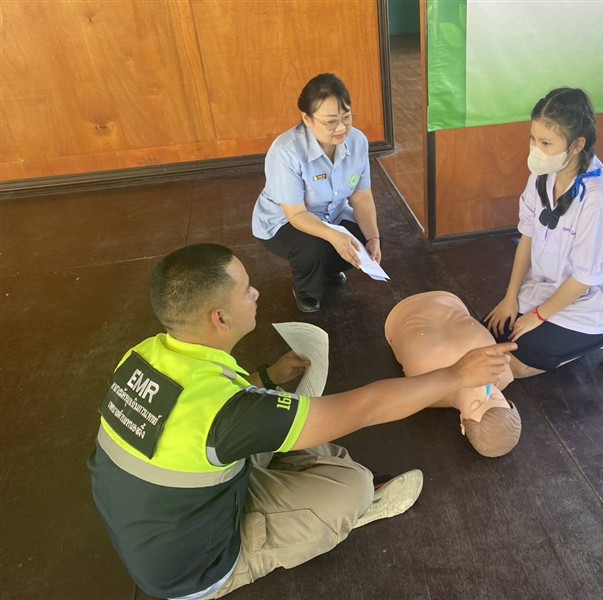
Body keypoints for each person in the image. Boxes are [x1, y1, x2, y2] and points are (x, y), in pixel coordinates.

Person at [88, 243, 515, 600]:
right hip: (196, 571)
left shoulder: (145, 354)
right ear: (219, 318)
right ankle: (347, 507)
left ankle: (307, 473)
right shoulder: (230, 416)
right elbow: (364, 408)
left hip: (153, 525)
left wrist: (268, 377)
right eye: (246, 290)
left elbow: (204, 412)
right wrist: (455, 375)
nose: (256, 293)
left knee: (294, 425)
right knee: (352, 488)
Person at [485, 88, 603, 378]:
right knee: (490, 338)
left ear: (577, 145)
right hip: (550, 286)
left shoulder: (598, 199)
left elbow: (584, 280)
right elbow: (527, 237)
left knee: (513, 366)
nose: (535, 150)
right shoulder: (541, 177)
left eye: (546, 143)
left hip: (592, 304)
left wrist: (537, 316)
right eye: (532, 139)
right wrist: (510, 298)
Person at [252, 73, 381, 313]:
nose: (341, 128)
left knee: (362, 239)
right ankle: (306, 291)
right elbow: (296, 214)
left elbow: (361, 196)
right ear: (307, 118)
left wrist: (374, 237)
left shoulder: (357, 141)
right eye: (331, 122)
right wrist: (334, 236)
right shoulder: (286, 151)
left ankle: (328, 269)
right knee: (313, 248)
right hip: (284, 221)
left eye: (346, 117)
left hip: (332, 213)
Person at [384, 291, 522, 458]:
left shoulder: (424, 391)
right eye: (494, 397)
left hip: (426, 304)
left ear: (462, 422)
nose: (481, 391)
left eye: (476, 404)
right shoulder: (424, 396)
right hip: (409, 310)